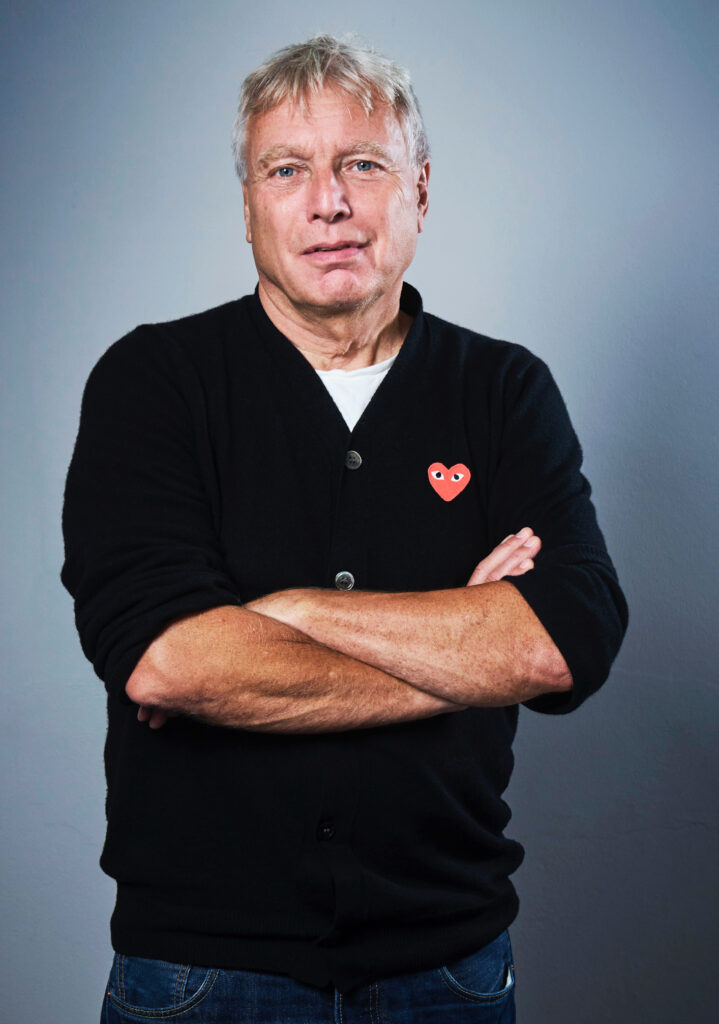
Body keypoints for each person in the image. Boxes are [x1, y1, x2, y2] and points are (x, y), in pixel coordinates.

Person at [61, 34, 627, 1023]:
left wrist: (280, 616)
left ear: (419, 190)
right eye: (287, 169)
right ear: (247, 206)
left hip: (446, 964)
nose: (327, 202)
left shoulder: (502, 390)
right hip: (201, 970)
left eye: (362, 164)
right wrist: (465, 640)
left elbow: (562, 642)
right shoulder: (153, 382)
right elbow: (168, 664)